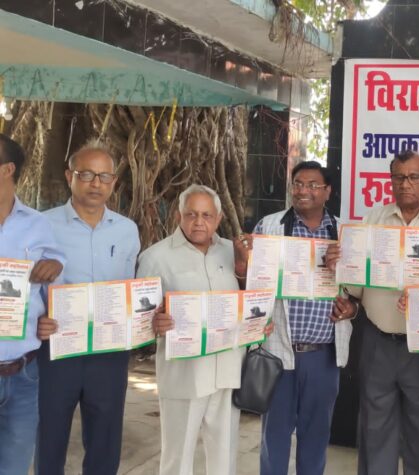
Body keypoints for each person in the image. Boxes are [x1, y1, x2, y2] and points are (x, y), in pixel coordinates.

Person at [326, 150, 419, 475]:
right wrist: (340, 270)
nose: (406, 184)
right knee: (375, 431)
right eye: (399, 177)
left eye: (414, 177)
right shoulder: (372, 221)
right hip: (377, 342)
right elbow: (356, 287)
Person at [136, 184, 270, 475]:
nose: (199, 222)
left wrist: (258, 322)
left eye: (207, 215)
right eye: (191, 214)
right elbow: (139, 322)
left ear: (218, 219)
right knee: (177, 458)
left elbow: (251, 298)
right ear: (178, 216)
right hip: (184, 374)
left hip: (227, 370)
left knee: (224, 457)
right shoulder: (155, 257)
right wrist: (153, 325)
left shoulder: (232, 252)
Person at [235, 161, 357, 475]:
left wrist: (351, 307)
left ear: (328, 191)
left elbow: (358, 291)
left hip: (323, 356)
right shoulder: (269, 227)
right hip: (278, 352)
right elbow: (251, 285)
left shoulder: (345, 233)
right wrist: (242, 263)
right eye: (298, 184)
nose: (303, 190)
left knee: (316, 437)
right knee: (273, 437)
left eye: (313, 185)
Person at [34, 142, 141, 475]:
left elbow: (129, 288)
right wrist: (35, 319)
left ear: (114, 182)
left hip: (109, 352)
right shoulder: (41, 226)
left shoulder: (127, 230)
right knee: (50, 434)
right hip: (56, 350)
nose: (96, 183)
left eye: (104, 176)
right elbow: (23, 286)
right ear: (70, 176)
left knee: (105, 439)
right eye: (86, 174)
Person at [0, 134, 64, 475]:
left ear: (7, 169)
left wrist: (51, 316)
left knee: (14, 467)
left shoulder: (39, 225)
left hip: (23, 374)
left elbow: (53, 287)